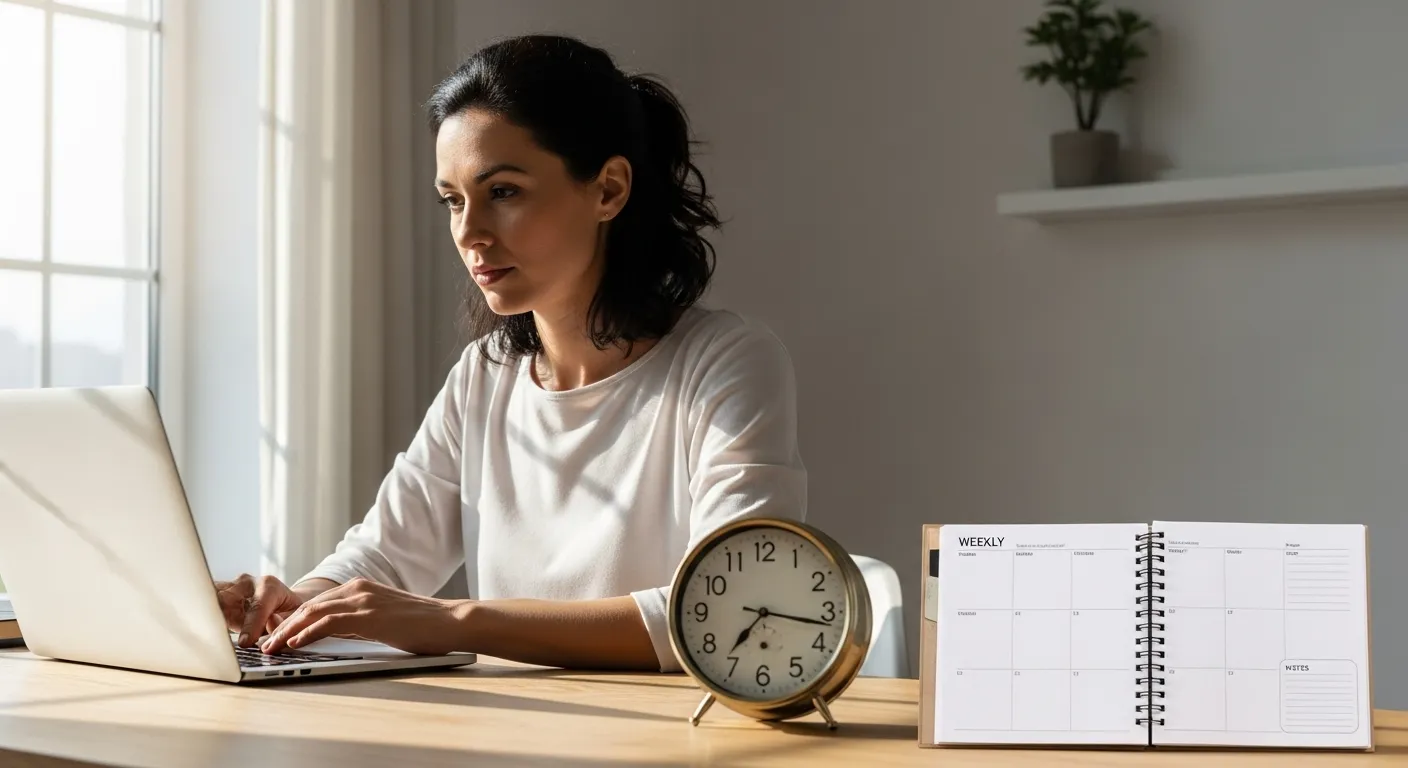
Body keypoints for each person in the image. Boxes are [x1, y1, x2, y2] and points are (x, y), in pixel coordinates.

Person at [213, 34, 806, 672]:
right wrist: (290, 607)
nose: (469, 232)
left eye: (503, 192)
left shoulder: (725, 362)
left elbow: (727, 608)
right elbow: (381, 556)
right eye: (452, 200)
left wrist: (453, 620)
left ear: (608, 189)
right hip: (506, 725)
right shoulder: (486, 374)